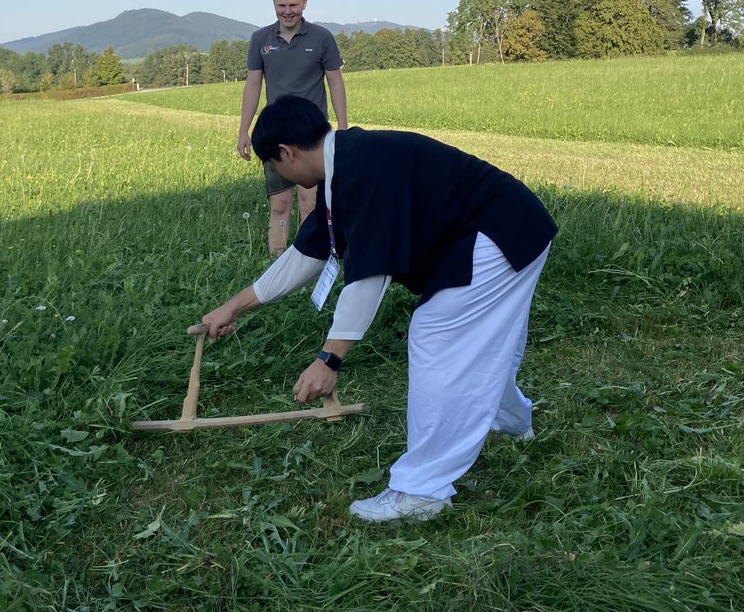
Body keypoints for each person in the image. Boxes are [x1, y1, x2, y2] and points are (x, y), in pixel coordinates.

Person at [204, 97, 557, 523]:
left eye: (275, 166)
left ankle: (422, 493)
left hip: (500, 232)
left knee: (438, 335)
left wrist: (329, 359)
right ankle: (513, 422)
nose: (282, 177)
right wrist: (234, 306)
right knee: (476, 342)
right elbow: (306, 254)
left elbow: (369, 277)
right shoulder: (342, 166)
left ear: (286, 152)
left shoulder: (361, 172)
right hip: (509, 226)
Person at [238, 0, 348, 256]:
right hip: (275, 134)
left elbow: (335, 82)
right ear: (273, 4)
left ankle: (307, 257)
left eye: (294, 5)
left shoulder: (321, 38)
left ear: (305, 4)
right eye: (282, 5)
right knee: (279, 204)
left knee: (310, 202)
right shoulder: (260, 39)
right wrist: (244, 130)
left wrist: (343, 127)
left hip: (312, 135)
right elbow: (253, 85)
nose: (288, 11)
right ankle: (277, 258)